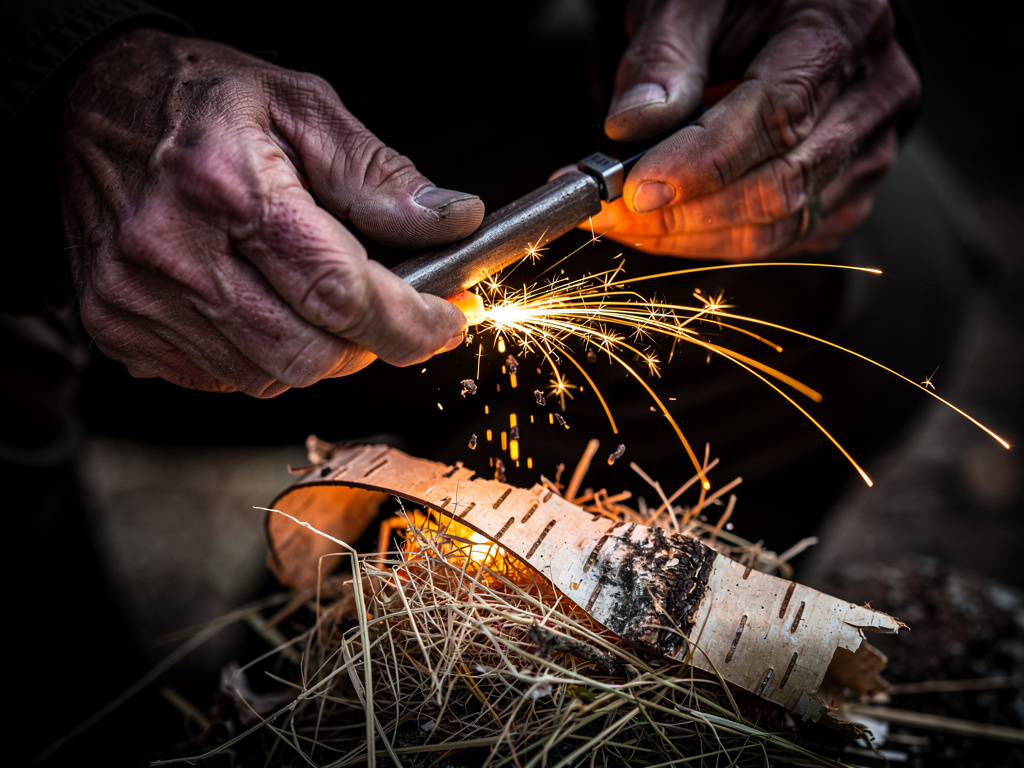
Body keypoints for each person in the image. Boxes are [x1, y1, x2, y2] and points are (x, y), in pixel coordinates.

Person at [3, 1, 991, 758]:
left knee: (876, 253)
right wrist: (64, 71)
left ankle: (354, 686)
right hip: (42, 180)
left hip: (402, 83)